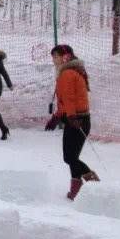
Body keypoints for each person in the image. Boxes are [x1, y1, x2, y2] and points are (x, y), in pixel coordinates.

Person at [45, 43, 99, 199]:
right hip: (77, 118)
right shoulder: (71, 71)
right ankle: (76, 189)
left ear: (65, 57)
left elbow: (69, 98)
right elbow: (65, 100)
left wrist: (70, 116)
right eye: (53, 57)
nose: (54, 60)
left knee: (69, 157)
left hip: (77, 119)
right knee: (72, 157)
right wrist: (56, 117)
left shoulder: (67, 73)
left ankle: (94, 183)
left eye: (56, 56)